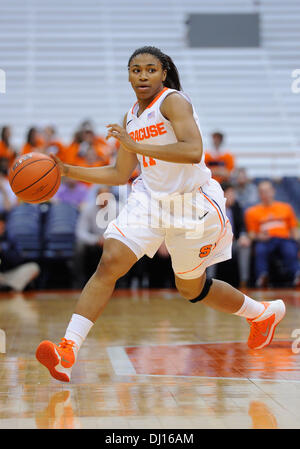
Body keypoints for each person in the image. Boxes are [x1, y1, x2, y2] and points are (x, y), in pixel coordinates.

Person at [36, 46, 286, 383]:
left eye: (150, 69)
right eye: (136, 70)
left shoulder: (173, 102)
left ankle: (261, 314)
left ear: (163, 73)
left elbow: (194, 150)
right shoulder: (131, 117)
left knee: (191, 289)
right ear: (128, 75)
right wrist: (67, 169)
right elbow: (118, 173)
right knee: (110, 261)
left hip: (192, 203)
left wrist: (137, 146)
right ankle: (68, 350)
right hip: (150, 200)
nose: (142, 76)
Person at [245, 180, 300, 287]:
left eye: (267, 191)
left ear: (273, 191)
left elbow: (294, 229)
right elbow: (251, 234)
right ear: (259, 194)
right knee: (260, 250)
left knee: (290, 250)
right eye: (262, 192)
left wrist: (296, 239)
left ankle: (297, 274)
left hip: (284, 239)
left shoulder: (286, 208)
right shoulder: (252, 212)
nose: (265, 194)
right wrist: (259, 236)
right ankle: (262, 277)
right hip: (266, 240)